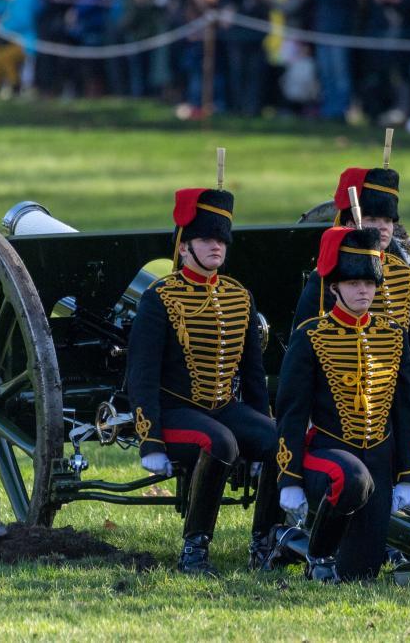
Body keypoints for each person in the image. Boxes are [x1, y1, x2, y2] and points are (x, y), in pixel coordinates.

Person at [126, 188, 281, 577]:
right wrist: (151, 441)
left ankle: (265, 544)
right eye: (206, 239)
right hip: (176, 413)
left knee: (282, 442)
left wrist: (262, 421)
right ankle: (194, 550)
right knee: (220, 441)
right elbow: (141, 376)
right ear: (183, 246)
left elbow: (253, 373)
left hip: (224, 408)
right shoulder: (159, 297)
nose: (216, 247)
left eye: (221, 240)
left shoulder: (239, 297)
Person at [291, 165, 410, 509]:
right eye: (373, 219)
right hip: (340, 395)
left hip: (394, 391)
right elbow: (305, 338)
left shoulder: (405, 275)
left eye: (388, 221)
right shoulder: (329, 277)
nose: (382, 228)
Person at [277, 226, 410, 583]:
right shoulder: (310, 335)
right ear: (336, 286)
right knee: (351, 478)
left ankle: (289, 541)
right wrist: (289, 478)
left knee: (361, 573)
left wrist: (406, 475)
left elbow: (404, 411)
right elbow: (292, 412)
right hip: (326, 457)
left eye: (369, 284)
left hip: (380, 460)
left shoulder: (393, 334)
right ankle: (317, 554)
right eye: (354, 283)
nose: (363, 291)